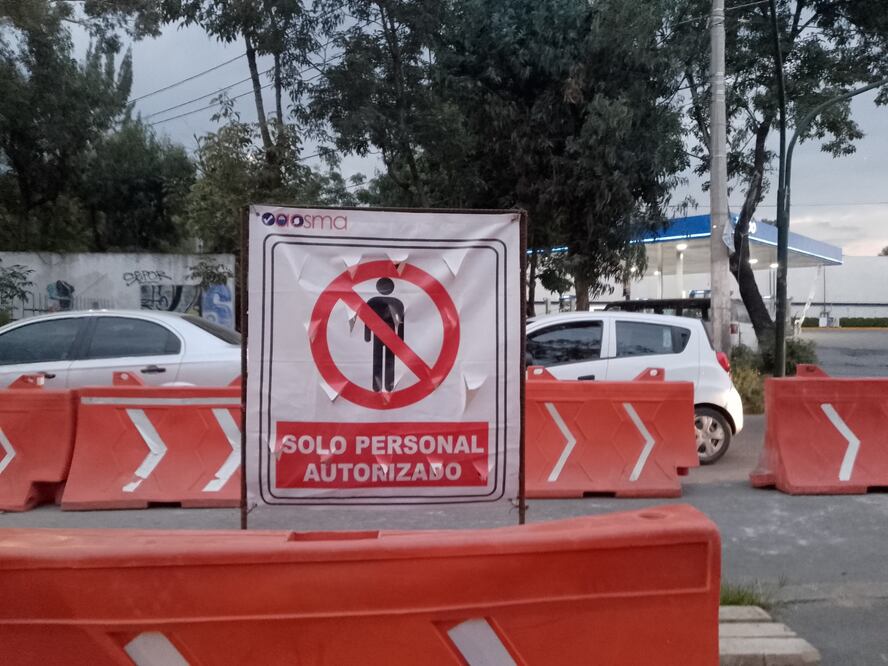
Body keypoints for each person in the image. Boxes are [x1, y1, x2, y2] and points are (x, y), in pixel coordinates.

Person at [364, 277, 404, 392]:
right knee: (386, 359)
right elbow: (401, 322)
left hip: (382, 334)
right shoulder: (397, 303)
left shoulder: (373, 301)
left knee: (383, 359)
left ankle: (384, 386)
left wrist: (367, 336)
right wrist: (400, 338)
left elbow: (401, 322)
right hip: (386, 335)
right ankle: (384, 385)